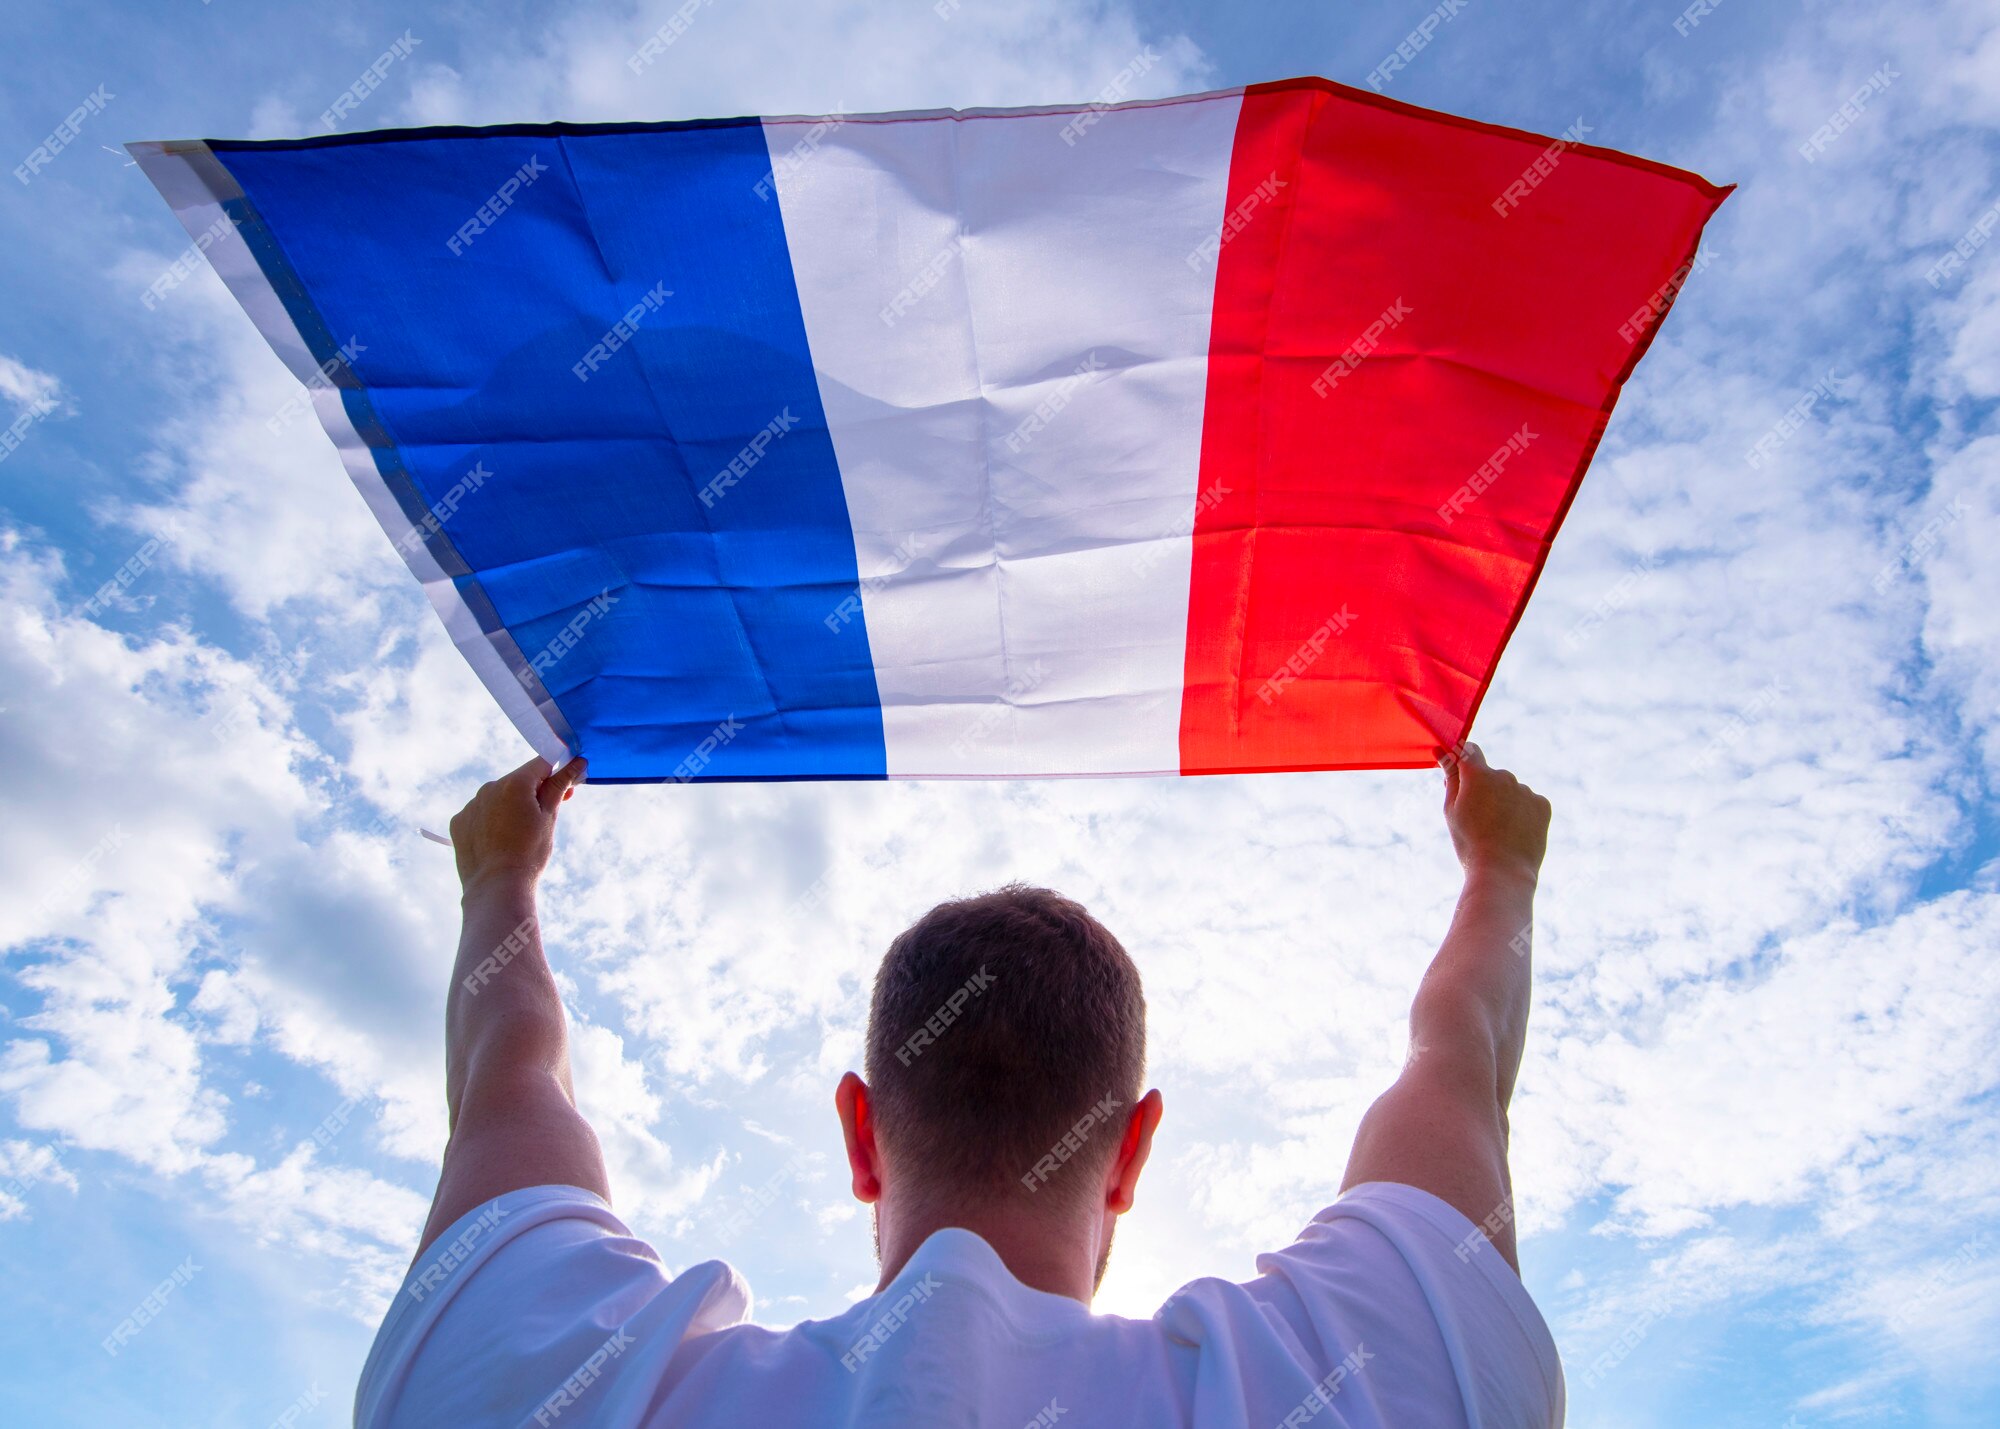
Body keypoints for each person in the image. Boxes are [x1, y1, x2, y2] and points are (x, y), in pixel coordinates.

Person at [357, 744, 1561, 1428]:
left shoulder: (561, 1391)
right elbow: (1456, 1069)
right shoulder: (1345, 1385)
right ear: (1133, 1150)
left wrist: (500, 881)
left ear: (858, 1134)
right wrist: (1497, 868)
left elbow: (506, 1086)